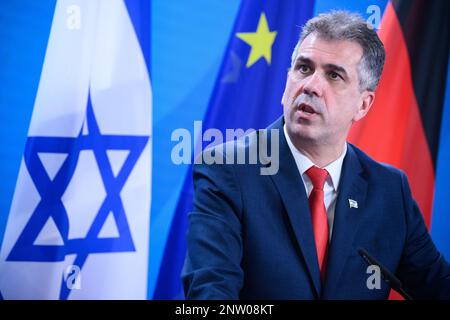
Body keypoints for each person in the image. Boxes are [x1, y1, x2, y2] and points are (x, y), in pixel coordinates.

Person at [181, 11, 450, 299]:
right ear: (287, 82)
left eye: (334, 75)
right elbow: (210, 294)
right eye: (304, 68)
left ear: (363, 104)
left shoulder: (389, 190)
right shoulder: (228, 169)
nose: (310, 86)